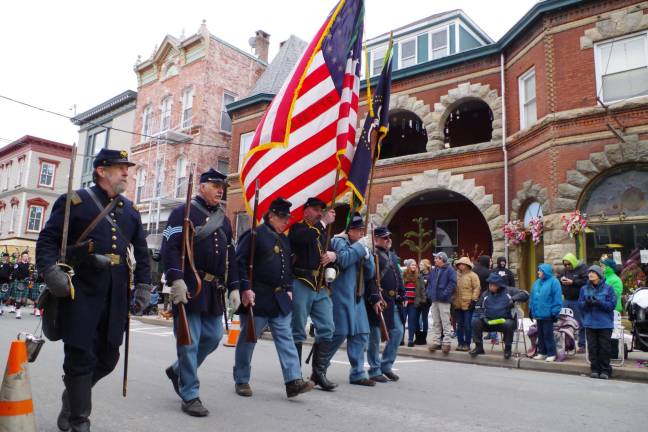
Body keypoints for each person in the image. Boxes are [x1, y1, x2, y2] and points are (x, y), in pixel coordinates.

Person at [36, 149, 151, 432]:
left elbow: (143, 253)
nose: (127, 172)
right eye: (121, 167)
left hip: (116, 293)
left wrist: (144, 287)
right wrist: (51, 272)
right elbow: (48, 241)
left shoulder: (130, 211)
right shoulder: (75, 201)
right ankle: (79, 420)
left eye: (127, 168)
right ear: (101, 170)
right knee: (80, 355)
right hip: (81, 292)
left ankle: (72, 397)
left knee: (109, 357)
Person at [161, 168, 239, 417]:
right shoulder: (181, 213)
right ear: (202, 186)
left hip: (213, 288)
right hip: (190, 285)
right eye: (215, 185)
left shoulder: (224, 220)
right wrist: (176, 279)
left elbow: (232, 256)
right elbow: (170, 247)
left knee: (213, 337)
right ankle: (190, 393)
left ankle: (177, 371)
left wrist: (235, 286)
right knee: (189, 341)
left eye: (222, 186)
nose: (220, 190)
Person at [234, 198, 314, 398]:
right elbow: (239, 262)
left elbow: (286, 267)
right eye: (282, 217)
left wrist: (288, 287)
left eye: (287, 218)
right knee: (248, 339)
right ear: (271, 216)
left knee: (286, 339)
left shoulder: (284, 238)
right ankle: (242, 379)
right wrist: (245, 288)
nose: (285, 221)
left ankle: (293, 380)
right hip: (257, 296)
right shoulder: (254, 234)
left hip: (279, 297)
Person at [288, 197, 337, 391]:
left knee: (328, 328)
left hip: (321, 285)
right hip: (302, 282)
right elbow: (305, 238)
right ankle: (294, 375)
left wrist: (333, 256)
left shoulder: (323, 233)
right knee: (298, 330)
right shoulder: (298, 229)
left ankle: (319, 373)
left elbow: (332, 259)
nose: (319, 213)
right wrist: (324, 222)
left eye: (321, 211)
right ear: (306, 211)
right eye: (316, 210)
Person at [325, 213, 375, 386]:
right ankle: (320, 367)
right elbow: (343, 260)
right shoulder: (339, 241)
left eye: (362, 230)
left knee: (361, 333)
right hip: (341, 295)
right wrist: (360, 249)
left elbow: (371, 274)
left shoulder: (360, 245)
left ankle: (358, 373)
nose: (361, 234)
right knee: (338, 334)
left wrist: (368, 258)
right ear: (350, 230)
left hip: (358, 296)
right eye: (358, 230)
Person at [365, 226, 405, 383]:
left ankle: (386, 366)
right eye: (385, 238)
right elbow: (370, 279)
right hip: (378, 300)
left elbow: (398, 276)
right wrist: (375, 297)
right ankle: (374, 370)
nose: (388, 240)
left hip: (392, 301)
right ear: (376, 239)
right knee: (375, 336)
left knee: (397, 332)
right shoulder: (372, 256)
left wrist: (402, 293)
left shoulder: (392, 256)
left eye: (389, 238)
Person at [469, 273, 529, 359]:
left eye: (494, 285)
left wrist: (513, 299)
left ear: (499, 285)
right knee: (475, 321)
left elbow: (525, 294)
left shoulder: (509, 291)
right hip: (489, 321)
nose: (491, 287)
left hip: (505, 321)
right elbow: (478, 307)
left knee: (508, 324)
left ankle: (508, 349)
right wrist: (483, 316)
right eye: (490, 284)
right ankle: (479, 347)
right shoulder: (485, 294)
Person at [578, 265, 617, 379]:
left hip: (604, 324)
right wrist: (587, 303)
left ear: (599, 275)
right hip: (590, 323)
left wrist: (599, 303)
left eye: (593, 273)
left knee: (604, 348)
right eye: (589, 272)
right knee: (592, 348)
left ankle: (605, 370)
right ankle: (594, 369)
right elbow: (580, 305)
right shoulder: (584, 289)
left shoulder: (608, 288)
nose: (590, 274)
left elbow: (611, 305)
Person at [529, 263, 563, 362]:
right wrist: (531, 309)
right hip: (538, 313)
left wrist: (554, 312)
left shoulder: (554, 282)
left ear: (545, 272)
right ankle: (542, 352)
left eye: (540, 270)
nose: (538, 272)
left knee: (548, 334)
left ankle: (551, 353)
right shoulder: (536, 282)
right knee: (540, 334)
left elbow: (557, 299)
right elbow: (532, 297)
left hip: (548, 313)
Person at [426, 252, 457, 354]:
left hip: (444, 300)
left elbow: (452, 283)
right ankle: (437, 342)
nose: (434, 260)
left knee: (445, 322)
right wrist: (429, 293)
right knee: (436, 322)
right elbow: (430, 282)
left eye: (436, 258)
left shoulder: (450, 270)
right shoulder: (434, 270)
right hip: (434, 299)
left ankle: (447, 343)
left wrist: (445, 294)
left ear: (442, 259)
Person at [559, 253, 588, 353]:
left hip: (578, 299)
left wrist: (573, 282)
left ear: (573, 262)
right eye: (565, 264)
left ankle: (582, 344)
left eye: (569, 264)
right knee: (564, 322)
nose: (567, 266)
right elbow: (558, 277)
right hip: (566, 299)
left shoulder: (582, 269)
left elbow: (586, 281)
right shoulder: (564, 271)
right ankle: (567, 344)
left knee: (580, 322)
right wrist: (561, 280)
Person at [452, 257, 480, 351]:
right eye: (459, 264)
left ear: (467, 265)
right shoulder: (456, 275)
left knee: (468, 325)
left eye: (463, 264)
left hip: (468, 303)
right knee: (459, 325)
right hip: (457, 303)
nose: (461, 266)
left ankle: (467, 343)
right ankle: (460, 343)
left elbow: (476, 288)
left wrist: (473, 300)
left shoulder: (473, 275)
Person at [601, 257, 624, 359]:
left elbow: (616, 294)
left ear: (609, 267)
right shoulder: (603, 278)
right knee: (606, 331)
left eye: (604, 266)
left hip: (614, 309)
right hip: (604, 308)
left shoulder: (615, 279)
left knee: (614, 331)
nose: (602, 268)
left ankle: (614, 354)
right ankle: (607, 352)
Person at [414, 259, 431, 345]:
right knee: (416, 319)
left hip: (426, 301)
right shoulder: (419, 275)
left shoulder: (430, 275)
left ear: (426, 265)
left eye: (421, 264)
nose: (419, 265)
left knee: (424, 319)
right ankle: (417, 337)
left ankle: (423, 338)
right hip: (418, 300)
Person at [10, 251, 32, 319]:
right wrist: (23, 278)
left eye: (27, 256)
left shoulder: (30, 265)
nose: (26, 257)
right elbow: (15, 274)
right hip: (19, 282)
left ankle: (17, 307)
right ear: (22, 257)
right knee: (18, 298)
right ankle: (18, 313)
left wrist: (31, 279)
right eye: (24, 256)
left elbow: (32, 274)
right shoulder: (18, 264)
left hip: (26, 283)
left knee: (23, 299)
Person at [402, 259, 418, 347]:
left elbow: (419, 290)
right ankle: (401, 339)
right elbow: (401, 288)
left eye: (415, 265)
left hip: (413, 303)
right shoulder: (403, 275)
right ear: (408, 266)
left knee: (412, 321)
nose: (414, 266)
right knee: (402, 321)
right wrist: (403, 299)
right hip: (404, 302)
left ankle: (410, 340)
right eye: (412, 265)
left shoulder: (418, 276)